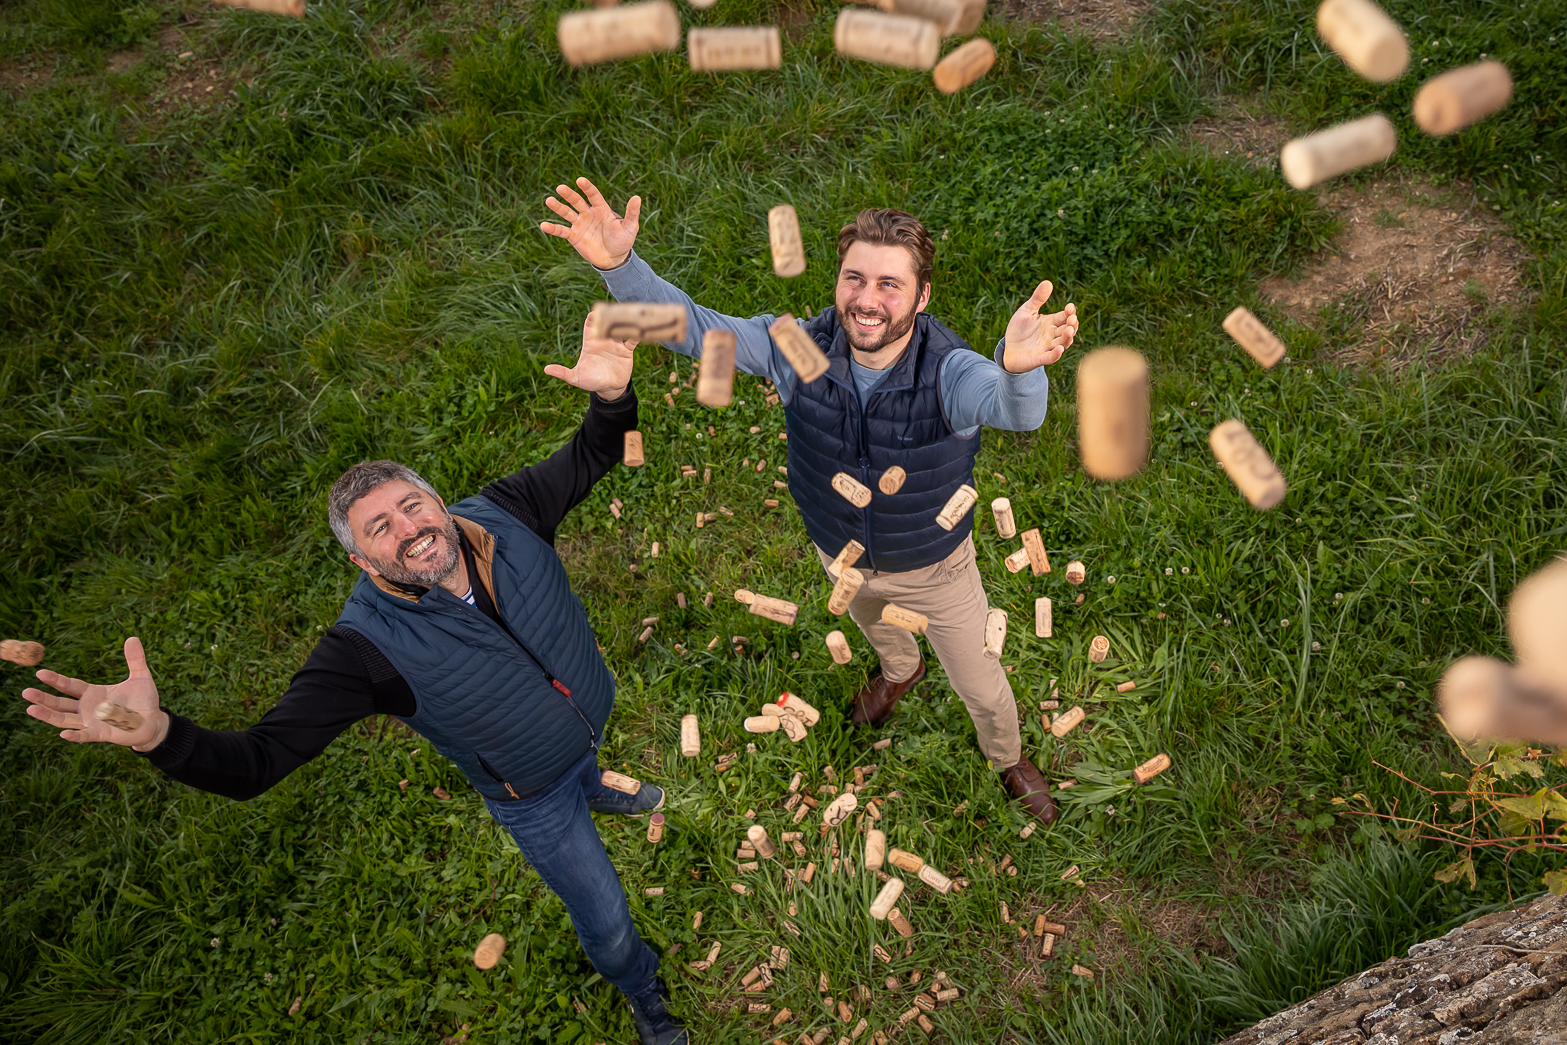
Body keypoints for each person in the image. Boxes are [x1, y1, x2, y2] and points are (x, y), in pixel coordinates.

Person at [20, 314, 689, 1045]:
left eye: (412, 506)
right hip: (532, 798)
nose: (409, 530)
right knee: (608, 924)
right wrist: (158, 735)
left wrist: (612, 399)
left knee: (582, 756)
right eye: (380, 530)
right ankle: (642, 991)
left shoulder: (506, 513)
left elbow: (596, 452)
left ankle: (594, 781)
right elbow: (258, 762)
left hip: (584, 716)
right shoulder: (363, 650)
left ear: (438, 504)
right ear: (362, 563)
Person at [541, 178, 1078, 824]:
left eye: (889, 284)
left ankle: (1007, 757)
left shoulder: (947, 371)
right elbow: (694, 329)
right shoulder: (801, 349)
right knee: (878, 629)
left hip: (935, 568)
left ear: (922, 296)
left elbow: (1016, 413)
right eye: (855, 279)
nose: (867, 300)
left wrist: (1020, 368)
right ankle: (900, 673)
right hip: (841, 554)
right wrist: (621, 267)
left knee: (981, 685)